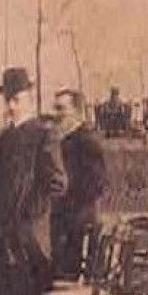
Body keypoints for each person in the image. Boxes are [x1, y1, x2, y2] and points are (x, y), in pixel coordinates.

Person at [0, 67, 68, 295]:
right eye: (7, 99)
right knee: (13, 287)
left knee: (32, 287)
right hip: (6, 229)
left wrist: (30, 217)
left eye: (16, 99)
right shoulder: (7, 136)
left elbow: (57, 182)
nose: (10, 105)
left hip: (30, 232)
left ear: (28, 99)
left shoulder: (43, 134)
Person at [50, 88, 108, 281]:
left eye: (61, 109)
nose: (56, 115)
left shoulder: (86, 140)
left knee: (65, 263)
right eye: (55, 109)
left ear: (76, 111)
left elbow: (97, 183)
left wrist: (66, 196)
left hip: (78, 214)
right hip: (66, 212)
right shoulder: (63, 139)